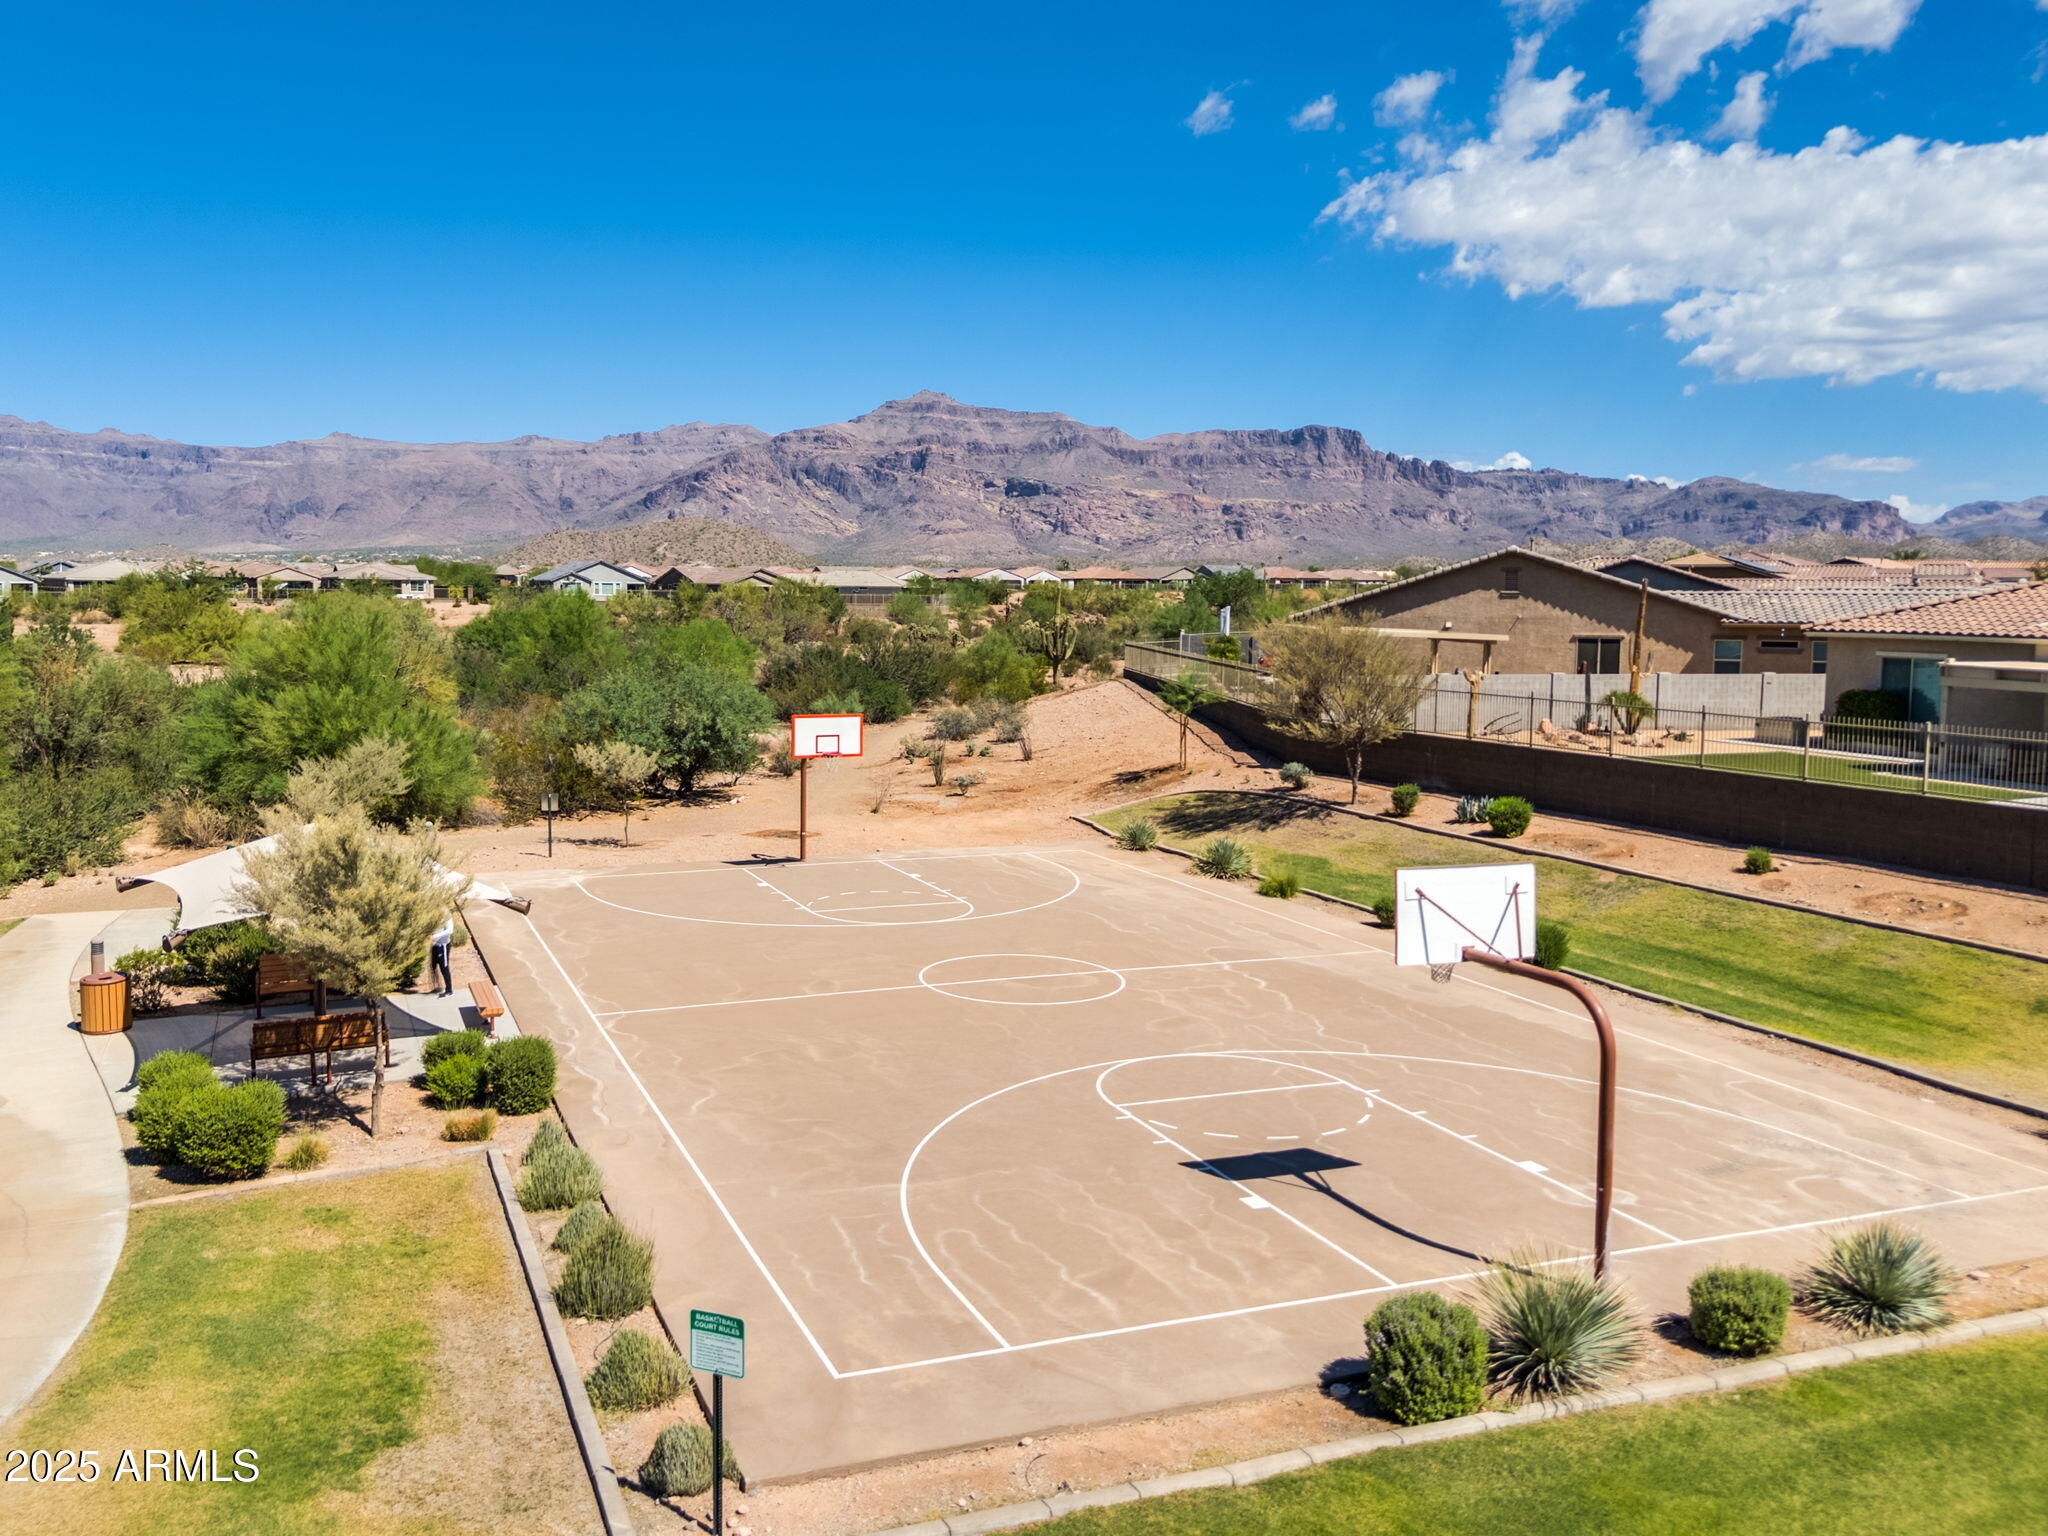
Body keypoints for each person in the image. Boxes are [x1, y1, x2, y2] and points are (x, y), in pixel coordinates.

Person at [428, 916, 456, 997]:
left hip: (442, 945)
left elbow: (450, 930)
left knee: (444, 967)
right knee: (433, 965)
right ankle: (436, 986)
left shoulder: (446, 914)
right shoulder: (433, 911)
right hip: (434, 945)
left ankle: (449, 990)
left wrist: (434, 936)